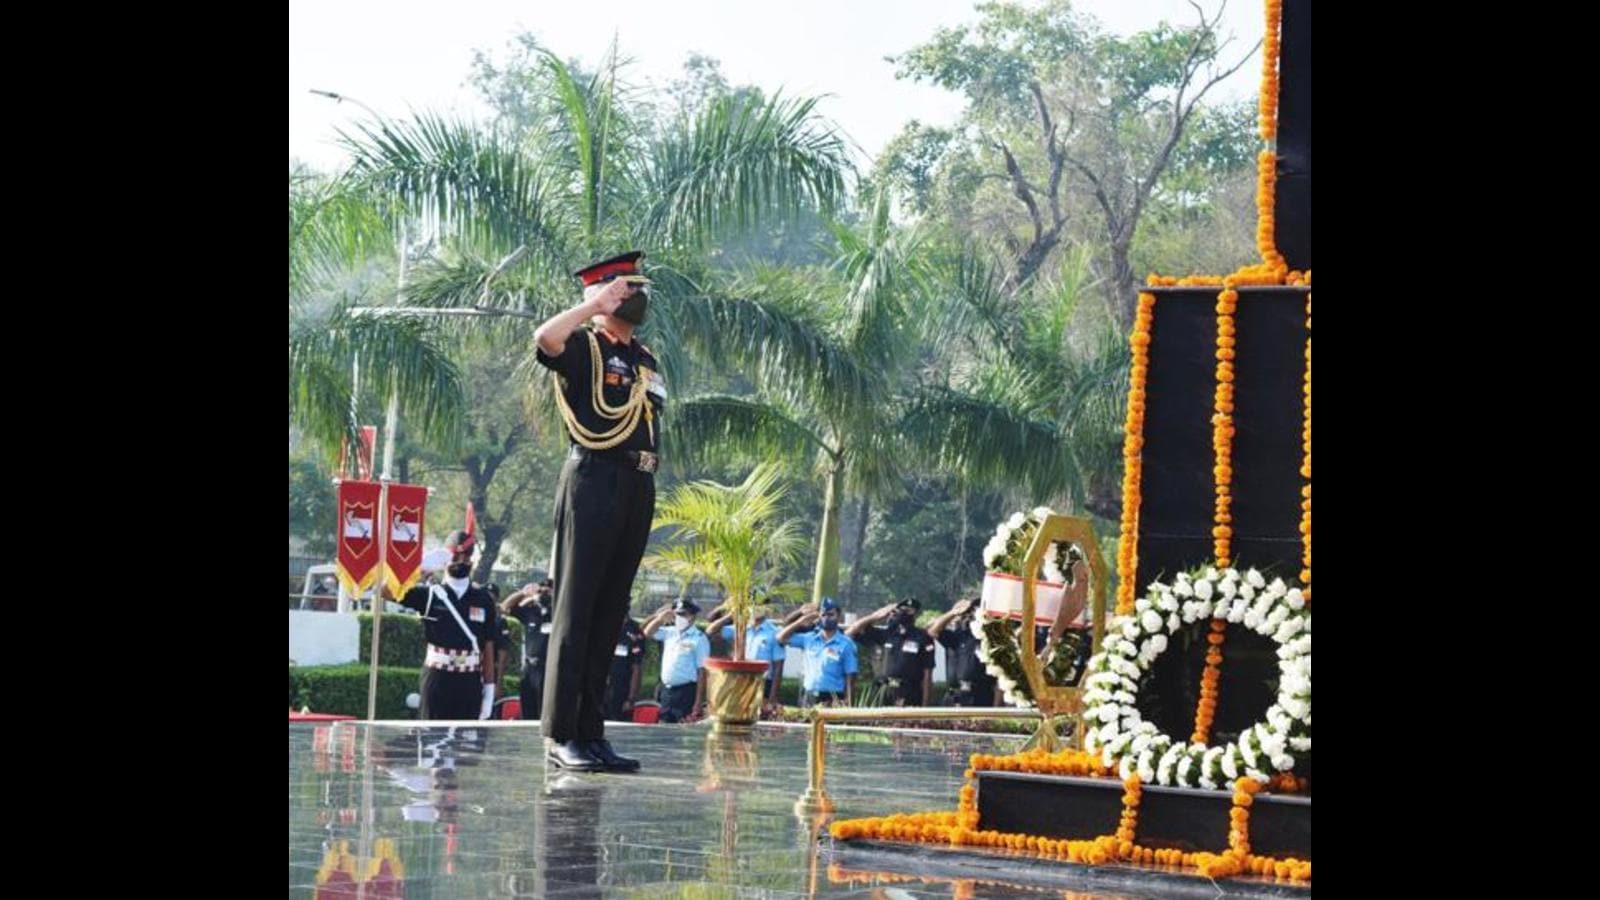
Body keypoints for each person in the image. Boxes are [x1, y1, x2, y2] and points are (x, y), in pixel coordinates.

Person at [533, 250, 664, 772]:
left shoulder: (644, 359)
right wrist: (588, 308)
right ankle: (562, 734)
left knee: (611, 612)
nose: (639, 296)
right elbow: (545, 340)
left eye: (640, 287)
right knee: (577, 609)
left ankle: (592, 732)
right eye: (628, 287)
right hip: (593, 476)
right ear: (603, 293)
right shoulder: (584, 345)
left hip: (638, 481)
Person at [380, 525, 498, 720]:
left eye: (466, 556)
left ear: (472, 559)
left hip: (469, 680)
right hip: (437, 678)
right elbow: (385, 591)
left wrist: (489, 690)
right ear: (445, 560)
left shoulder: (483, 599)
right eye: (455, 557)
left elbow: (488, 646)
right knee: (431, 742)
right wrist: (418, 570)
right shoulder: (429, 595)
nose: (461, 561)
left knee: (466, 748)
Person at [848, 599, 936, 706]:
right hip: (883, 692)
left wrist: (925, 707)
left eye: (908, 611)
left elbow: (927, 675)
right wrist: (875, 616)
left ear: (915, 614)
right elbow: (850, 631)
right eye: (901, 610)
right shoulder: (885, 635)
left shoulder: (922, 637)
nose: (904, 613)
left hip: (909, 693)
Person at [704, 598, 786, 707]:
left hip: (762, 682)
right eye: (752, 604)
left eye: (760, 605)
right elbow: (710, 630)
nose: (756, 608)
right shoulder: (740, 628)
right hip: (739, 679)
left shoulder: (774, 632)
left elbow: (778, 667)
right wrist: (731, 615)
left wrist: (772, 697)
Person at [777, 598, 858, 707]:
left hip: (833, 697)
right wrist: (800, 621)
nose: (827, 618)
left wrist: (849, 700)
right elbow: (780, 638)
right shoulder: (809, 639)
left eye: (831, 615)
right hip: (809, 695)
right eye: (823, 615)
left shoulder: (846, 644)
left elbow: (850, 675)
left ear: (838, 617)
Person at [641, 599, 710, 722]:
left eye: (683, 614)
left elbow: (702, 671)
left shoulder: (699, 638)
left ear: (693, 616)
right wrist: (660, 619)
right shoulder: (670, 632)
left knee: (681, 732)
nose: (680, 617)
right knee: (664, 730)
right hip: (666, 692)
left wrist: (698, 702)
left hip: (686, 692)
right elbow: (647, 633)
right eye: (677, 614)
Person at [501, 579, 555, 720]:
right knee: (528, 712)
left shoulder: (558, 614)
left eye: (549, 588)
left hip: (549, 668)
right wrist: (524, 593)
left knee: (547, 713)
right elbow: (505, 607)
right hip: (530, 669)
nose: (545, 591)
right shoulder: (531, 611)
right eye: (542, 588)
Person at [926, 598, 996, 706]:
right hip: (956, 696)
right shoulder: (958, 636)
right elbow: (932, 631)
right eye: (969, 612)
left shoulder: (990, 638)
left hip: (980, 696)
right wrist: (953, 613)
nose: (971, 615)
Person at [603, 615, 647, 721]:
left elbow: (636, 668)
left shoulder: (634, 631)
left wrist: (631, 699)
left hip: (622, 690)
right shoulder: (603, 626)